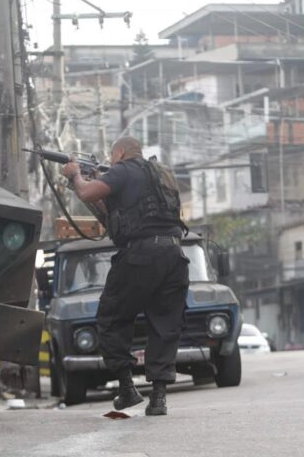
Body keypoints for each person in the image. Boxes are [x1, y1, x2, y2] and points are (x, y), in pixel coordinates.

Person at [62, 136, 189, 416]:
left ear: (119, 152)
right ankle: (158, 398)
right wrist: (96, 180)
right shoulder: (162, 174)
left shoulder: (123, 169)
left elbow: (86, 194)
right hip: (174, 255)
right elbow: (119, 210)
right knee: (164, 325)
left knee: (112, 316)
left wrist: (75, 176)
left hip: (141, 255)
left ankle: (126, 388)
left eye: (111, 157)